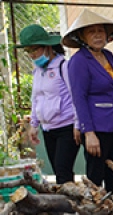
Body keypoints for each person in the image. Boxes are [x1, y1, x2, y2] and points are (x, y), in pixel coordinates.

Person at [61, 9, 113, 193]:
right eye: (91, 31)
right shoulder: (79, 61)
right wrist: (89, 133)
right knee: (96, 177)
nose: (97, 35)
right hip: (97, 128)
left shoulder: (109, 56)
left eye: (100, 31)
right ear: (82, 36)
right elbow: (79, 97)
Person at [16, 24, 80, 184]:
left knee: (62, 170)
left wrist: (78, 125)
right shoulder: (37, 71)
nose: (31, 55)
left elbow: (76, 97)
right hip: (48, 129)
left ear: (47, 47)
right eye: (28, 51)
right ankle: (69, 204)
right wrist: (34, 125)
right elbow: (35, 98)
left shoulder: (63, 66)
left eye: (34, 49)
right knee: (58, 170)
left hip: (67, 127)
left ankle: (67, 207)